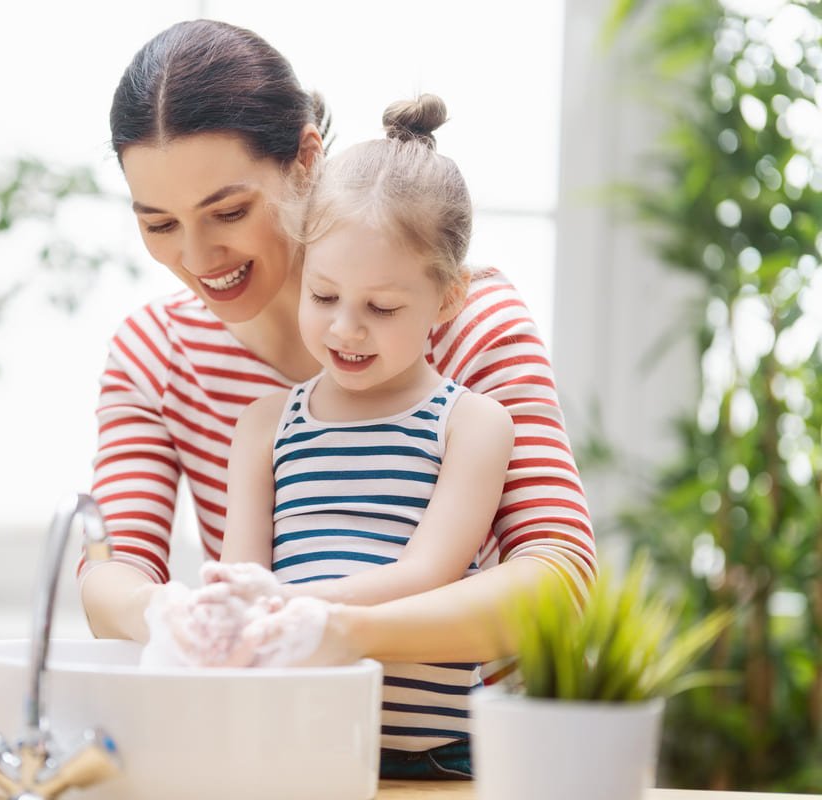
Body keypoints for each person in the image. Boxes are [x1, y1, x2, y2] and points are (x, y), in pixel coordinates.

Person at [79, 10, 595, 725]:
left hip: (462, 755)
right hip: (292, 739)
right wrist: (164, 610)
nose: (196, 260)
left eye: (227, 211)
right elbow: (112, 568)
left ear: (305, 158)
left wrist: (340, 631)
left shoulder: (471, 320)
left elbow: (560, 580)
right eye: (160, 225)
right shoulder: (156, 353)